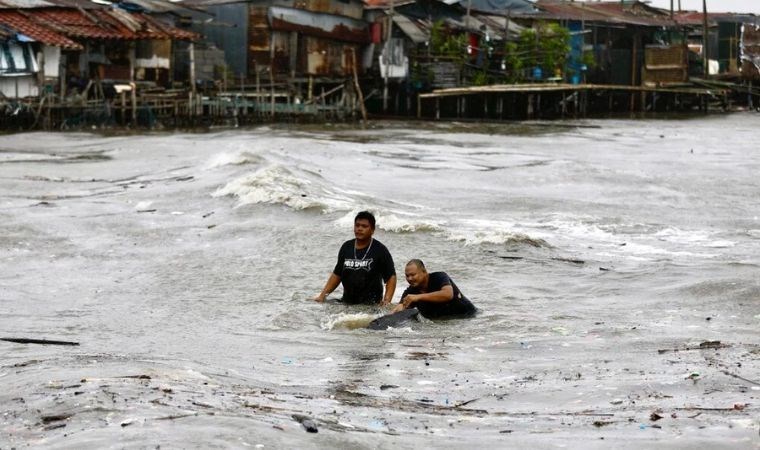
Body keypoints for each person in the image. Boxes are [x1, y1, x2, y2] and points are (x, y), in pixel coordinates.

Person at [314, 211, 397, 305]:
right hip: (346, 302)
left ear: (372, 230)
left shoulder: (380, 250)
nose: (359, 229)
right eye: (357, 225)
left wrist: (386, 301)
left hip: (370, 305)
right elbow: (337, 274)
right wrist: (322, 296)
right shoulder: (346, 247)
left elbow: (391, 277)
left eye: (364, 226)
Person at [393, 259, 476, 319]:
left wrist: (418, 297)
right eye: (407, 276)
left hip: (468, 316)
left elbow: (448, 294)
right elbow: (400, 309)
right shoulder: (410, 292)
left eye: (413, 275)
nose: (410, 278)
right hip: (443, 321)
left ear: (424, 272)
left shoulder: (439, 277)